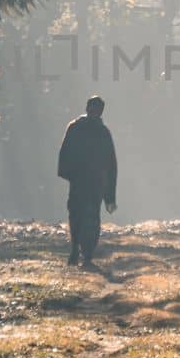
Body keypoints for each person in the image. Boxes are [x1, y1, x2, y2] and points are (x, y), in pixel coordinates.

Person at [57, 95, 117, 268]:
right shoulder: (85, 130)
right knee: (81, 215)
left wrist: (110, 196)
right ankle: (80, 249)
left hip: (89, 182)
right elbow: (111, 166)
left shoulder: (81, 129)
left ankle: (85, 251)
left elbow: (111, 165)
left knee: (84, 215)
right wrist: (110, 195)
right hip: (87, 181)